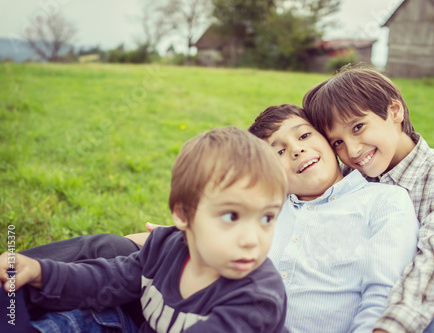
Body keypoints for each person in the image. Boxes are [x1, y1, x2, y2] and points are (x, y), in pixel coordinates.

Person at [0, 126, 289, 333]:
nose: (252, 239)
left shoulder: (257, 297)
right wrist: (41, 272)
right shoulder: (166, 246)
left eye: (267, 218)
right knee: (81, 316)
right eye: (231, 215)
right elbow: (106, 279)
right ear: (183, 214)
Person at [302, 64, 434, 333]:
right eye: (337, 142)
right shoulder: (345, 178)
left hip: (428, 315)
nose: (352, 151)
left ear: (394, 111)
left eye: (358, 127)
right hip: (354, 306)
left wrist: (390, 326)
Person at [247, 104, 418, 332]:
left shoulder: (384, 201)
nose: (296, 150)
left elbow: (384, 292)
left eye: (305, 135)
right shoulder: (266, 214)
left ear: (330, 142)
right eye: (278, 152)